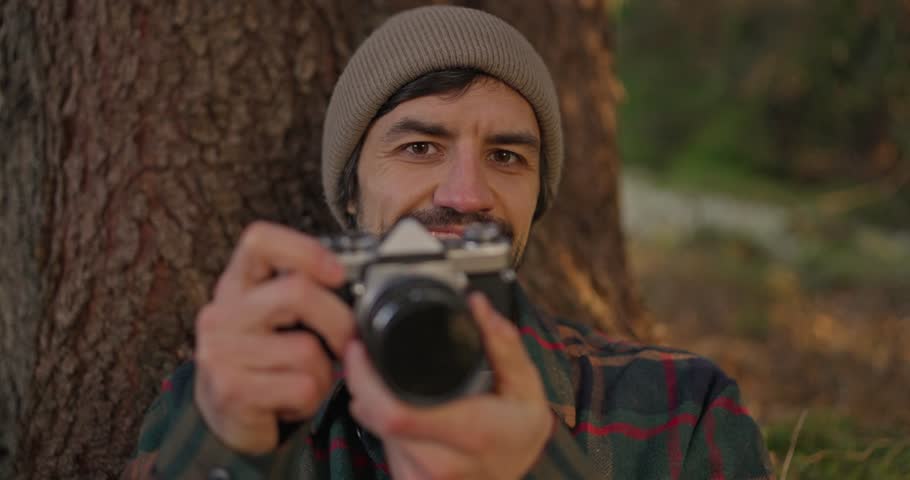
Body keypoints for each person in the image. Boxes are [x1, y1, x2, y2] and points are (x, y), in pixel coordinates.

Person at [124, 6, 772, 479]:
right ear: (349, 193)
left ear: (537, 201)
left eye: (507, 157)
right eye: (419, 147)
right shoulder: (241, 389)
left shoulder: (678, 412)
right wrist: (226, 450)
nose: (465, 194)